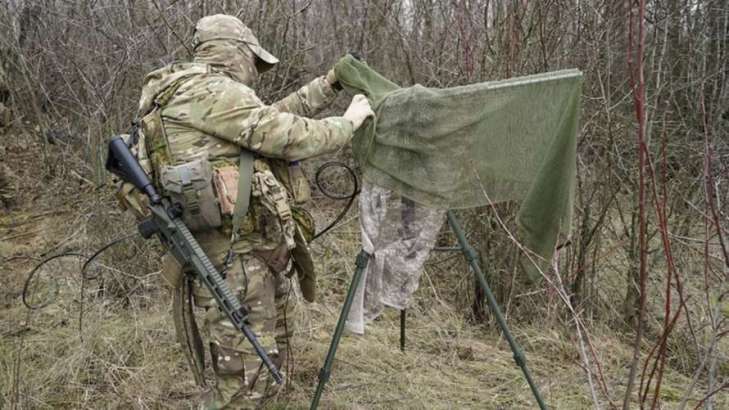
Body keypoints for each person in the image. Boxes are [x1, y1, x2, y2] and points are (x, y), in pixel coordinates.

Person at [135, 14, 373, 409]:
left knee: (261, 367)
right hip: (238, 262)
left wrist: (329, 83)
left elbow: (268, 117)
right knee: (245, 383)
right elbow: (287, 135)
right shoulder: (211, 92)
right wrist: (348, 123)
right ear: (235, 53)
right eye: (252, 60)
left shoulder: (188, 92)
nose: (254, 72)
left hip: (240, 256)